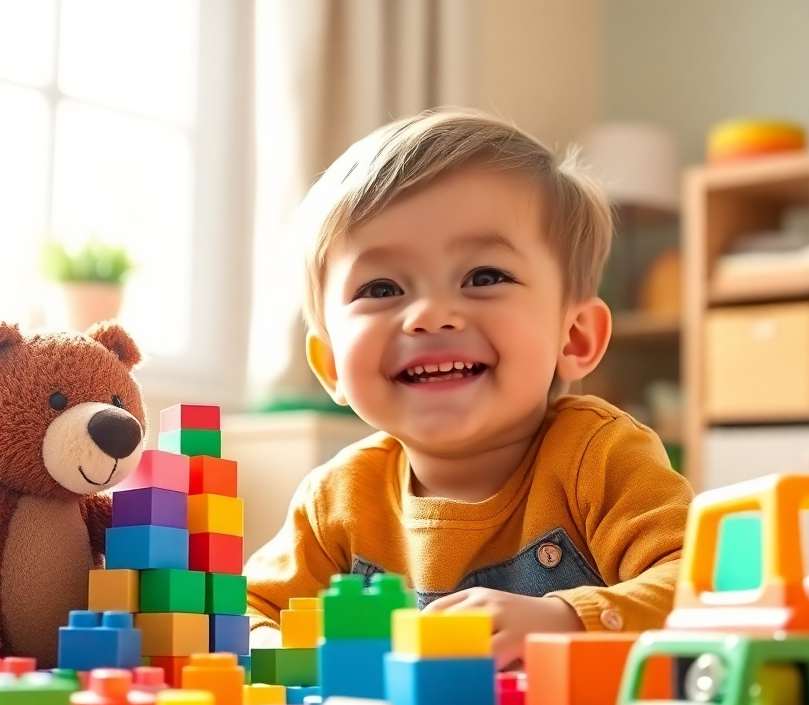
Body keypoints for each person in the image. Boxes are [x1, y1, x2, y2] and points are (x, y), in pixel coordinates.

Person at [244, 109, 692, 667]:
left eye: (483, 277)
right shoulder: (336, 501)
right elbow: (249, 614)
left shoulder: (600, 459)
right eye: (381, 288)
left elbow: (700, 583)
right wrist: (292, 660)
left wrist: (567, 619)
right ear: (331, 364)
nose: (431, 315)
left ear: (574, 336)